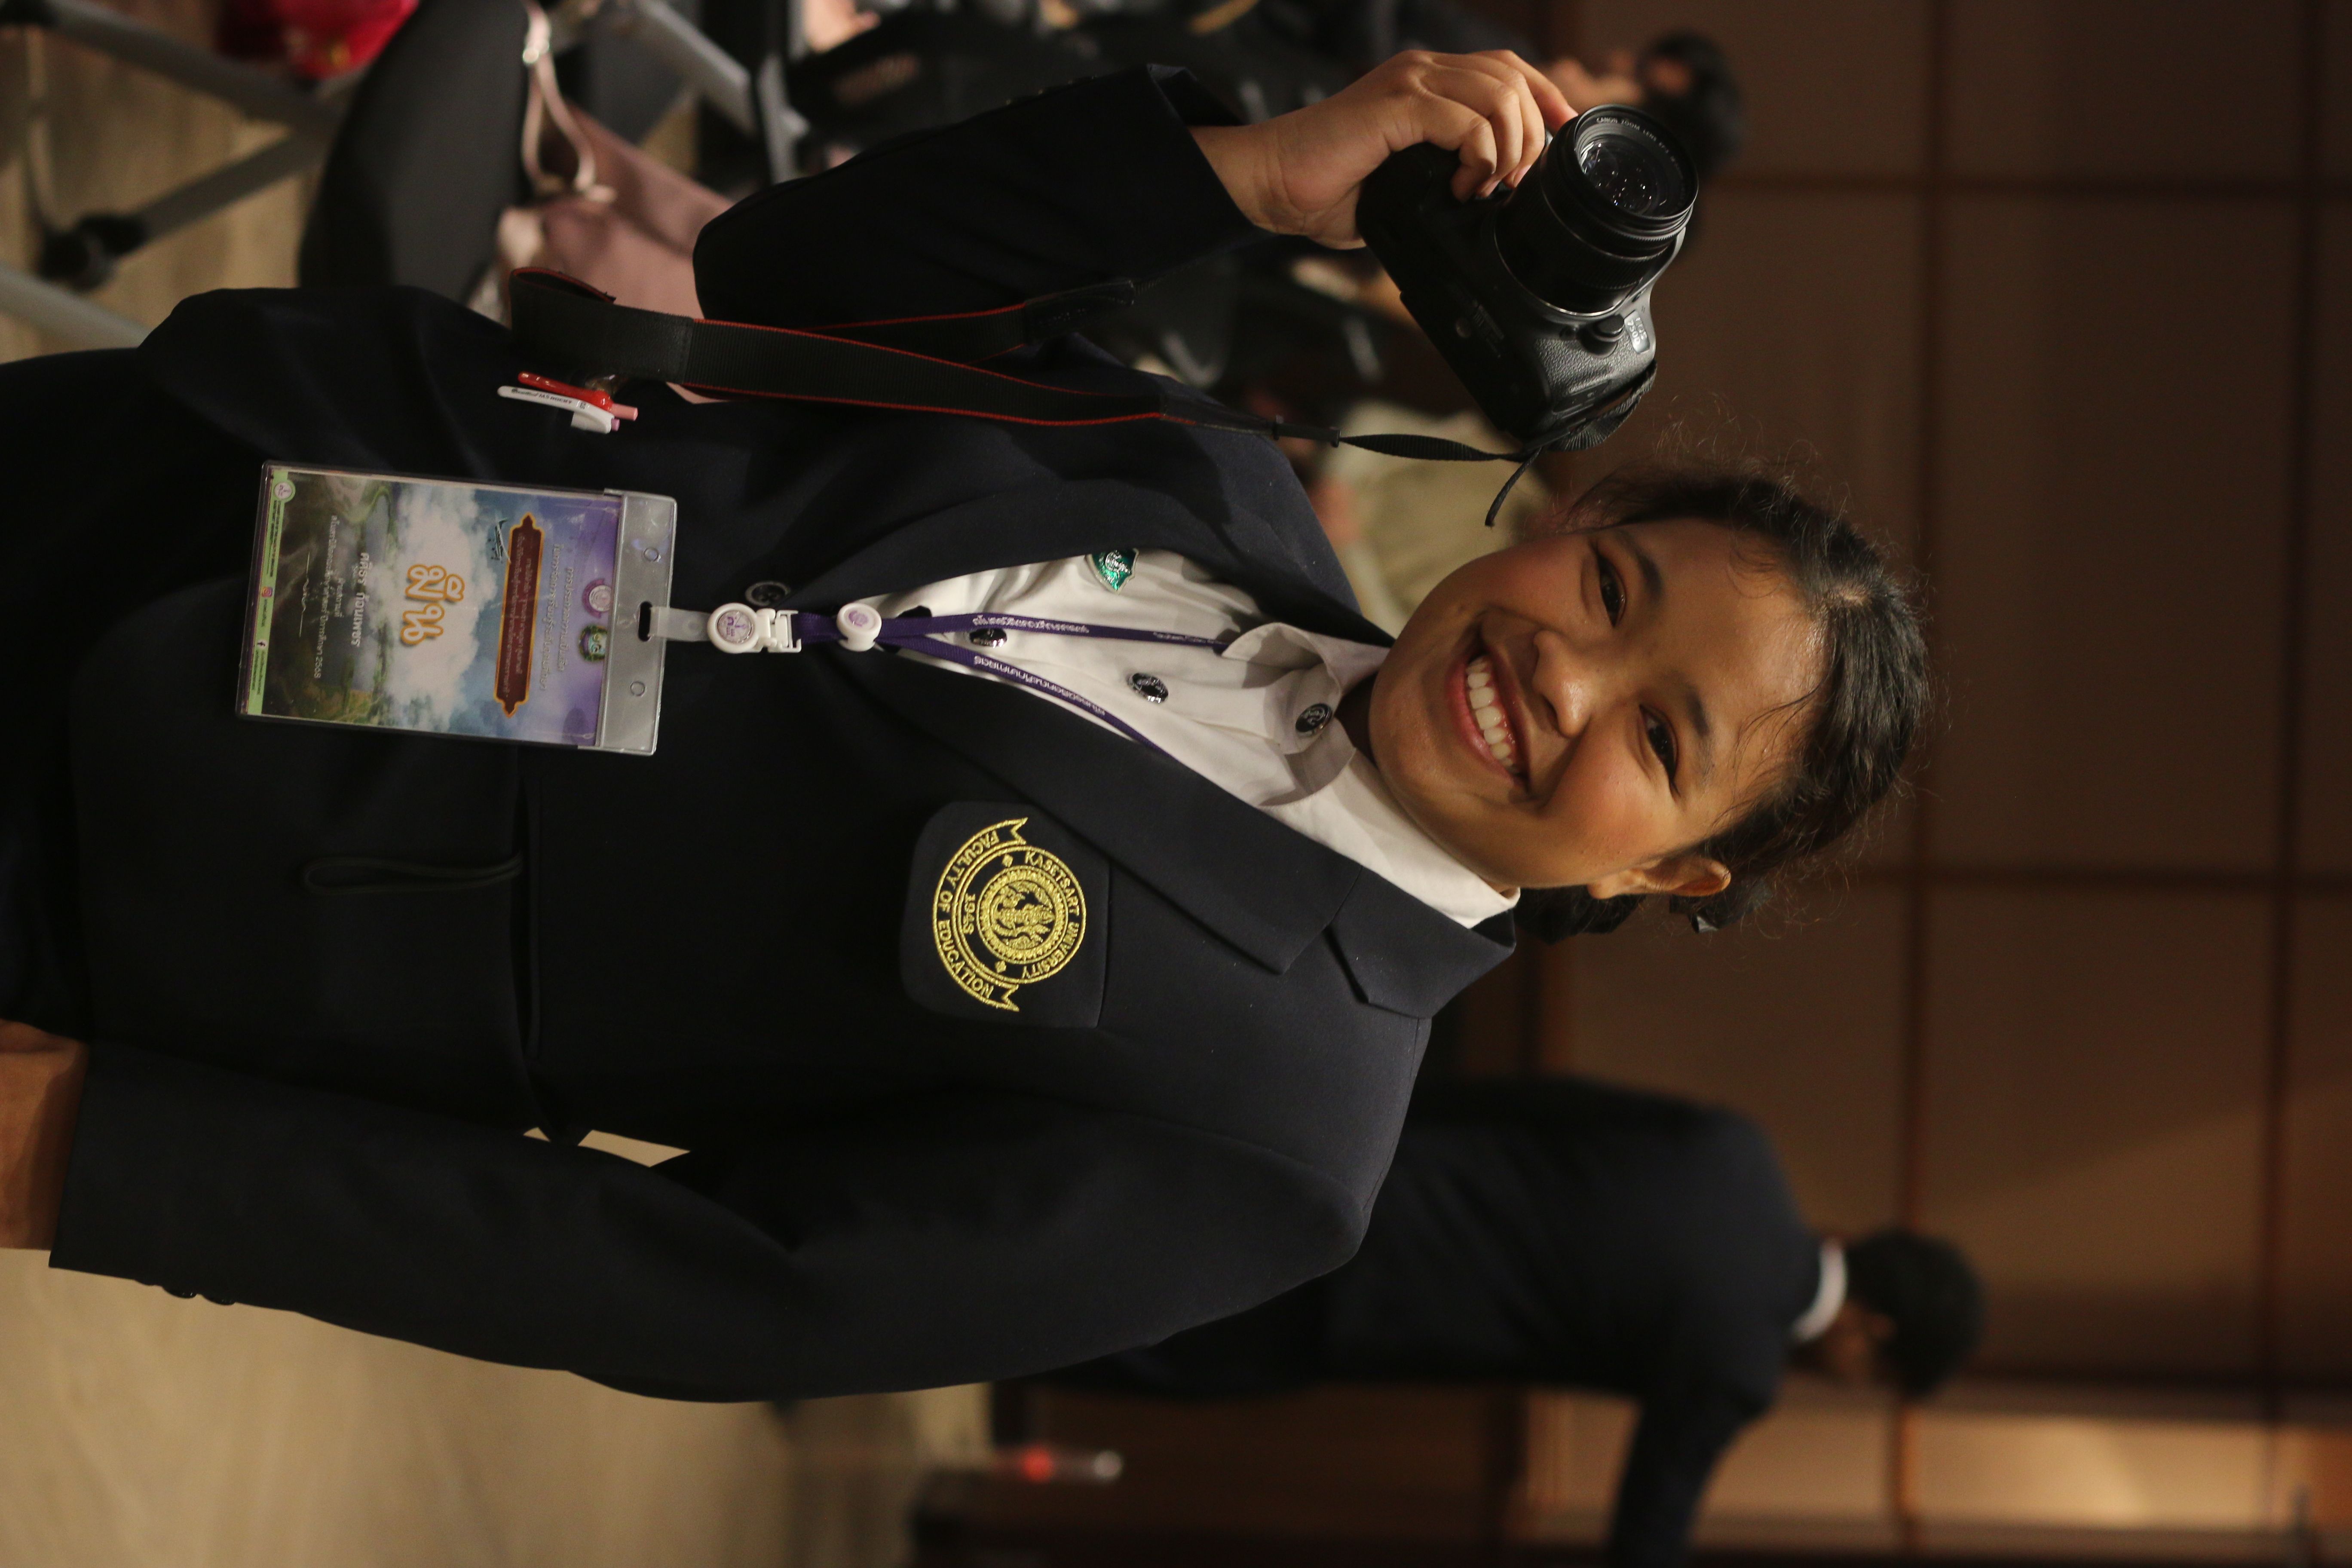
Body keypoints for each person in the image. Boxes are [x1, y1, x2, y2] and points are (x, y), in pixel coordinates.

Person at [0, 51, 1925, 1400]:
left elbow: (717, 1292)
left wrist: (104, 1155)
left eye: (1662, 738)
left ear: (1677, 871)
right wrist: (1245, 177)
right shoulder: (1213, 481)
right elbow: (790, 281)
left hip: (181, 869)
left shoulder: (1283, 1132)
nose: (1567, 675)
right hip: (215, 472)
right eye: (1613, 588)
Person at [1055, 1075, 1984, 1568]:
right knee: (1127, 1338)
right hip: (1374, 1309)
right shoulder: (1738, 1365)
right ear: (1873, 1332)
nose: (1852, 1386)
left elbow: (1538, 1102)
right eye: (1874, 1381)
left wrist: (1387, 1130)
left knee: (1118, 1199)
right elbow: (1650, 1529)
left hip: (1373, 1173)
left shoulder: (1736, 1150)